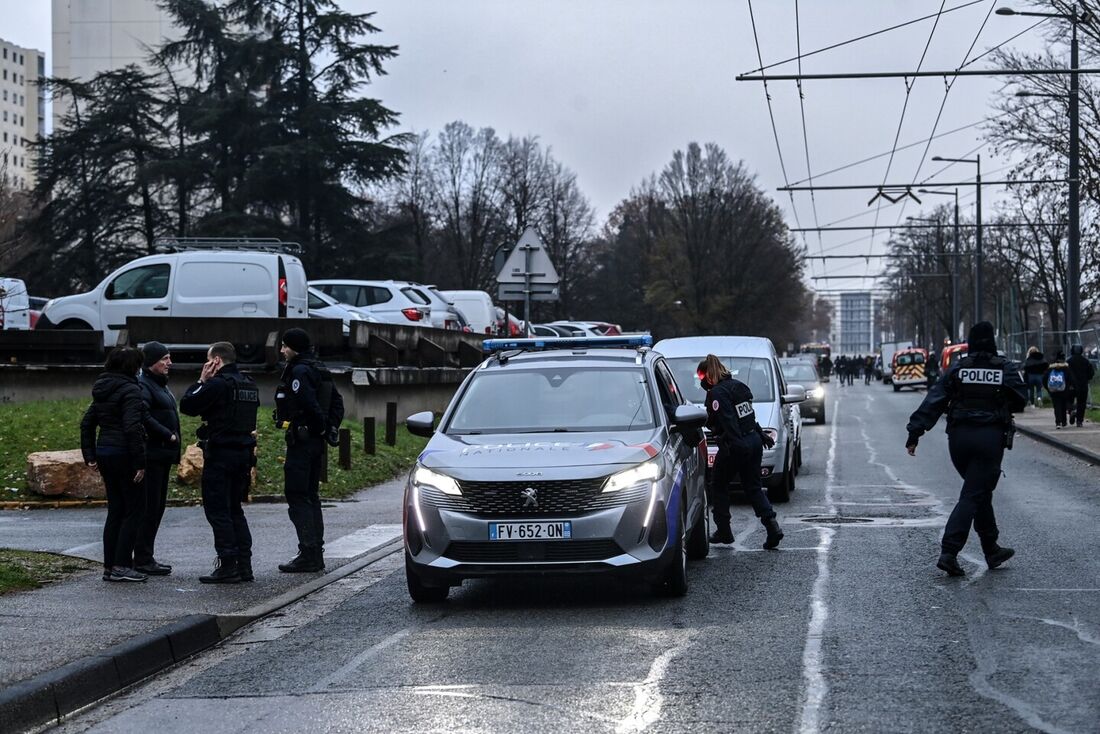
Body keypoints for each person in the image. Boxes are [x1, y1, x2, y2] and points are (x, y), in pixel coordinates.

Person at [905, 321, 1026, 577]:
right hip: (990, 438)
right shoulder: (1004, 367)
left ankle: (991, 548)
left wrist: (915, 432)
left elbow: (935, 399)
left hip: (958, 440)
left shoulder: (958, 368)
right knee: (973, 494)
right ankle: (949, 552)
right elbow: (1021, 398)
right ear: (992, 340)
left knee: (977, 490)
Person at [180, 342, 260, 584]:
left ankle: (227, 564)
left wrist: (201, 381)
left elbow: (187, 405)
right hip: (244, 456)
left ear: (215, 361)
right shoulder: (249, 384)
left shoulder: (217, 384)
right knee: (235, 509)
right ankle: (244, 564)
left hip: (221, 455)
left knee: (218, 510)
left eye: (208, 360)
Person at [273, 328, 344, 573]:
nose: (282, 351)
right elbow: (337, 402)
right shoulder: (320, 368)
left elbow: (307, 402)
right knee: (311, 495)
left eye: (284, 346)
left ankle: (308, 552)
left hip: (303, 440)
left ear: (294, 347)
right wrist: (331, 427)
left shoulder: (300, 370)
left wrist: (320, 426)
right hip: (315, 442)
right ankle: (315, 551)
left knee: (297, 494)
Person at [697, 354, 783, 550]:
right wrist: (761, 435)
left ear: (707, 375)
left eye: (701, 379)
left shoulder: (717, 393)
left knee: (718, 485)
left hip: (735, 445)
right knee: (753, 487)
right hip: (753, 440)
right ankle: (772, 526)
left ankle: (724, 531)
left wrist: (737, 445)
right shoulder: (738, 386)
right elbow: (748, 416)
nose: (701, 383)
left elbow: (728, 421)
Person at [80, 348, 149, 583]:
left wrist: (90, 454)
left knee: (115, 510)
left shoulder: (102, 389)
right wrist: (139, 462)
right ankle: (122, 565)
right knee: (133, 511)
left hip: (105, 452)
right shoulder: (131, 390)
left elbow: (87, 423)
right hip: (124, 454)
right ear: (133, 367)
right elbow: (132, 427)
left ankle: (110, 565)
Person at [133, 341, 180, 576]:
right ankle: (142, 557)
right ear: (151, 362)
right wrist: (167, 435)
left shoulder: (159, 385)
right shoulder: (145, 386)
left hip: (162, 455)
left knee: (157, 507)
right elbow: (143, 416)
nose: (169, 362)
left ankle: (146, 555)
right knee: (149, 508)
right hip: (152, 454)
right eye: (164, 359)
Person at [1044, 351, 1077, 429]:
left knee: (1057, 406)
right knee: (1064, 404)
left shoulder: (1051, 368)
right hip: (1064, 390)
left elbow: (1045, 379)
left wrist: (1048, 388)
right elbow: (1072, 379)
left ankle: (1058, 422)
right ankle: (1065, 420)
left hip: (1054, 390)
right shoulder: (1066, 368)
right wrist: (1073, 387)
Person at [1066, 344, 1095, 427]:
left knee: (1068, 400)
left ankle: (1071, 410)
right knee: (1082, 403)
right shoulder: (1086, 361)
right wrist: (1087, 378)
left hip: (1071, 385)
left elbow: (1065, 373)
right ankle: (1079, 421)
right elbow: (1091, 373)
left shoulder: (1068, 361)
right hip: (1083, 385)